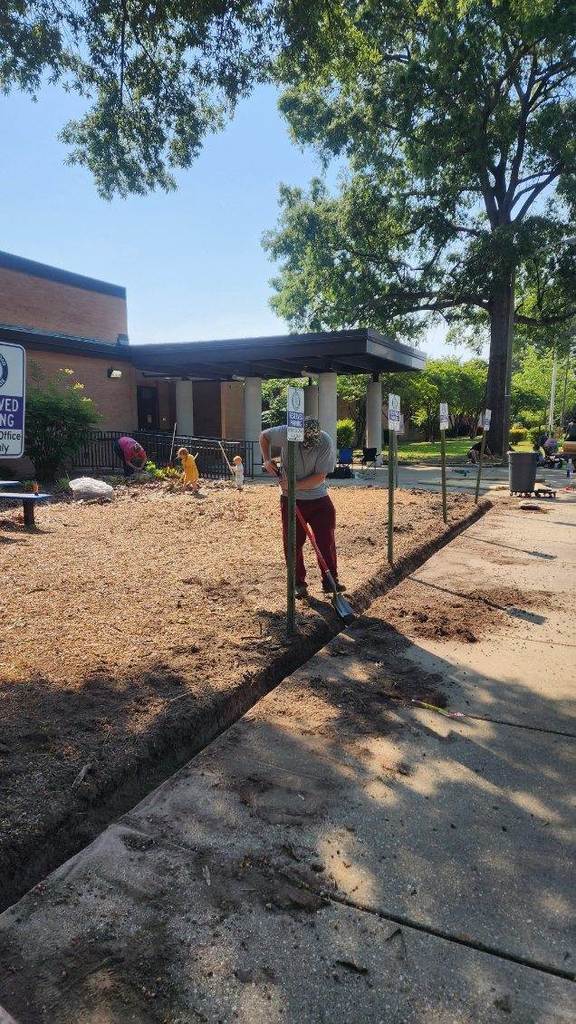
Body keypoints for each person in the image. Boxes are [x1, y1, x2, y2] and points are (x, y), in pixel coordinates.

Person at [260, 417, 345, 599]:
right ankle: (298, 583)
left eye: (311, 443)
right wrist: (267, 460)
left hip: (318, 498)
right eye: (305, 443)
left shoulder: (324, 441)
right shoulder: (287, 432)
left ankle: (330, 581)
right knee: (293, 543)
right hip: (291, 501)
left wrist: (293, 485)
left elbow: (320, 477)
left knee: (326, 541)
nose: (308, 447)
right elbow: (264, 436)